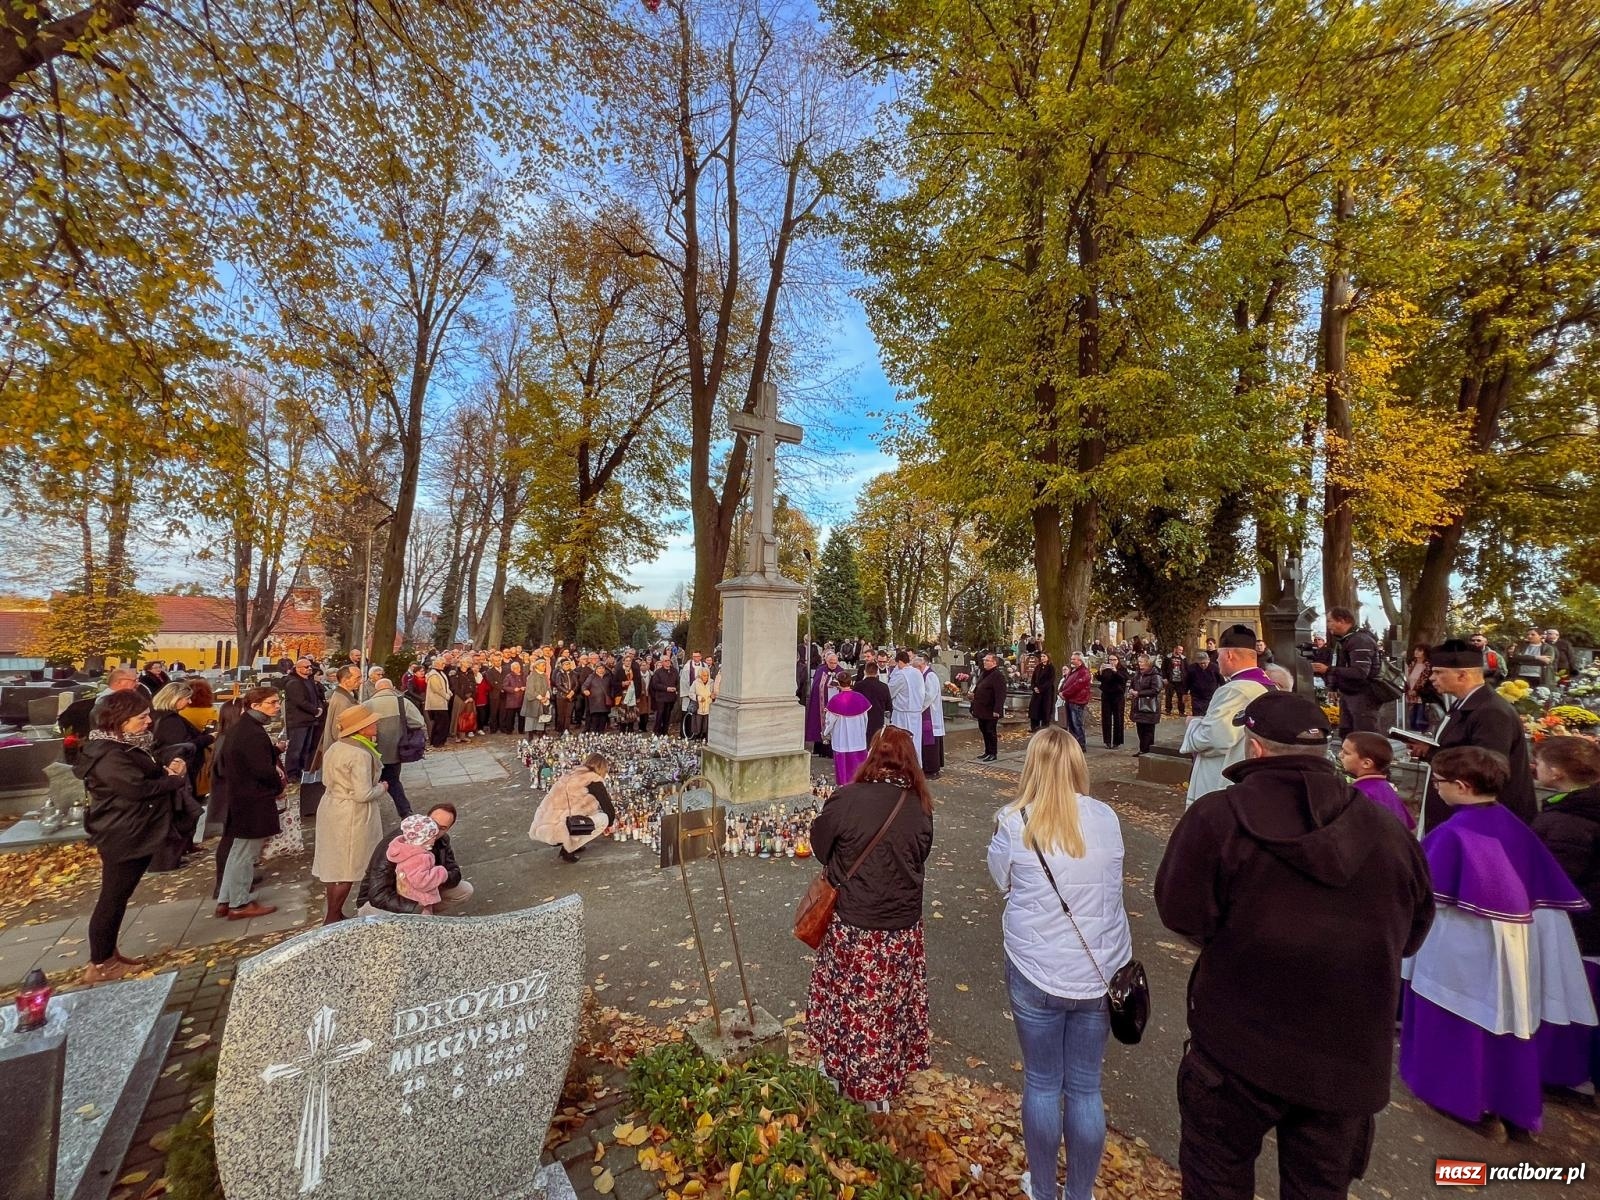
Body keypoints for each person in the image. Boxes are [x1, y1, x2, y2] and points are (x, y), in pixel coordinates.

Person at [1156, 692, 1435, 1200]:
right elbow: (1413, 930)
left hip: (1238, 1040)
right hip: (1347, 1053)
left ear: (1256, 750)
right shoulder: (1389, 832)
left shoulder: (1219, 818)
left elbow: (1182, 911)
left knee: (1216, 1178)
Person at [1400, 745, 1596, 1137]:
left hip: (1458, 950)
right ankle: (1509, 1103)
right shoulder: (1514, 826)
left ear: (1461, 786)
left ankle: (1462, 1099)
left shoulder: (1457, 832)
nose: (1435, 790)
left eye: (1438, 783)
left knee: (1456, 1018)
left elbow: (1417, 891)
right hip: (1510, 949)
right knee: (1503, 1024)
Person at [987, 727, 1131, 1200]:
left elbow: (1000, 878)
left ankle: (1045, 1190)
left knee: (1044, 1083)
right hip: (1098, 971)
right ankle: (1080, 1192)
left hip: (1037, 967)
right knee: (1086, 1087)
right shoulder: (1105, 818)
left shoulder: (1015, 821)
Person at [806, 727, 934, 1111]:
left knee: (848, 1003)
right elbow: (920, 853)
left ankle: (839, 1069)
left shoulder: (847, 799)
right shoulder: (920, 807)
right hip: (901, 929)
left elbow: (819, 845)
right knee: (886, 1008)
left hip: (854, 924)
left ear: (872, 756)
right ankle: (880, 1084)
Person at [74, 691, 188, 982]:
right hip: (123, 831)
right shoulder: (109, 754)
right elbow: (136, 789)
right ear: (120, 722)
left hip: (130, 826)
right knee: (112, 897)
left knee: (118, 896)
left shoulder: (121, 746)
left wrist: (166, 769)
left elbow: (143, 772)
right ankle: (100, 963)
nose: (149, 721)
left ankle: (108, 954)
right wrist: (173, 780)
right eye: (141, 718)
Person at [1531, 738, 1600, 1094]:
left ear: (1557, 772)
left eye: (1539, 762)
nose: (1534, 768)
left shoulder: (1569, 821)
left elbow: (1556, 876)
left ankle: (1564, 1074)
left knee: (1569, 997)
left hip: (1578, 926)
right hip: (1589, 922)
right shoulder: (1575, 810)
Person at [1417, 638, 1537, 829]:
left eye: (1438, 672)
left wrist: (1431, 754)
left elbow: (1486, 769)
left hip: (1484, 822)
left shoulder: (1492, 711)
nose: (1432, 678)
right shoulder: (1463, 702)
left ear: (1462, 675)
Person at [1178, 624, 1275, 804]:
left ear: (1229, 655)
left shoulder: (1236, 690)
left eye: (1219, 655)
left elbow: (1215, 737)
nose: (1217, 661)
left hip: (1224, 777)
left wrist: (1193, 724)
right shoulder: (1268, 684)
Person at [212, 686, 283, 921]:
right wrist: (278, 786)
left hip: (242, 799)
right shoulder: (251, 732)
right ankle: (239, 902)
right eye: (272, 703)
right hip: (252, 801)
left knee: (237, 851)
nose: (277, 706)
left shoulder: (243, 728)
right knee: (245, 854)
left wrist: (273, 750)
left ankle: (226, 899)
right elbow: (262, 769)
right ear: (255, 706)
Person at [314, 704, 388, 924]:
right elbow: (363, 793)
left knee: (336, 864)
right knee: (347, 866)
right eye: (371, 723)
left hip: (331, 806)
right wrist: (382, 788)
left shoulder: (336, 747)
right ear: (361, 728)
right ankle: (333, 915)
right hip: (351, 814)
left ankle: (334, 913)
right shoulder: (359, 754)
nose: (376, 725)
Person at [358, 802, 473, 915]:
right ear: (425, 819)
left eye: (442, 828)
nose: (436, 831)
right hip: (376, 902)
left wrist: (438, 878)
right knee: (412, 917)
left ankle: (423, 917)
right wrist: (415, 907)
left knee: (465, 890)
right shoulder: (395, 846)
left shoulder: (441, 841)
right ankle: (413, 921)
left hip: (418, 891)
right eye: (433, 823)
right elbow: (378, 895)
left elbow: (454, 872)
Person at [530, 752, 616, 862]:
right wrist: (610, 824)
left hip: (543, 828)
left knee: (588, 812)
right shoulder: (594, 780)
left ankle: (573, 843)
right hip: (560, 832)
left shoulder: (571, 774)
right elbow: (608, 809)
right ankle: (568, 849)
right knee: (604, 819)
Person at [1313, 607, 1381, 735]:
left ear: (1342, 621)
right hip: (1349, 694)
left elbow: (1360, 673)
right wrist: (1333, 686)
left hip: (1363, 696)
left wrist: (1328, 670)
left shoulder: (1360, 641)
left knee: (1365, 736)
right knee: (1346, 732)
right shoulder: (1345, 640)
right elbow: (1340, 663)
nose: (1328, 626)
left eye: (1330, 621)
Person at [367, 677, 425, 818]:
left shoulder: (367, 705)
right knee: (393, 780)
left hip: (373, 751)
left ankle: (372, 812)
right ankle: (405, 811)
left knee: (371, 782)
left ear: (376, 689)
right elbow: (418, 722)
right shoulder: (403, 702)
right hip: (396, 751)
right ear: (392, 688)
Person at [1338, 731, 1415, 830]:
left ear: (1366, 763)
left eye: (1346, 753)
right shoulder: (1386, 788)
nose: (1340, 755)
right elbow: (1408, 826)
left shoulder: (1359, 793)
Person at [386, 815, 451, 913]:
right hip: (421, 901)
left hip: (408, 897)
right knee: (424, 923)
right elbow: (421, 881)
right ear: (422, 838)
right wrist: (441, 873)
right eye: (432, 836)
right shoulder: (420, 858)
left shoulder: (405, 852)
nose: (434, 838)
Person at [825, 672, 871, 786]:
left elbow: (830, 721)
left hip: (841, 738)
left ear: (838, 684)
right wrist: (862, 731)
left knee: (843, 766)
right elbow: (865, 719)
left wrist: (826, 732)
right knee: (858, 763)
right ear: (851, 682)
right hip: (858, 737)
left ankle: (843, 786)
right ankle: (860, 784)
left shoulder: (835, 700)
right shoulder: (860, 698)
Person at [283, 657, 324, 777]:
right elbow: (300, 701)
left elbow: (316, 697)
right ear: (298, 669)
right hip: (299, 720)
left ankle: (301, 770)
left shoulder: (309, 681)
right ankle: (291, 773)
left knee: (306, 748)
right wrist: (315, 710)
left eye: (310, 666)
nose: (309, 669)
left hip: (310, 719)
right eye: (306, 667)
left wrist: (319, 707)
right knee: (296, 749)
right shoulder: (294, 682)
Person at [318, 664, 362, 761]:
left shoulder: (344, 696)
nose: (361, 681)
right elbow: (338, 731)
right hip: (342, 755)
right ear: (346, 680)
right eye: (357, 678)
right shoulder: (342, 701)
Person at [971, 653, 1006, 762]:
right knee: (984, 730)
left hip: (990, 709)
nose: (984, 662)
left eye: (987, 660)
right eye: (984, 660)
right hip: (981, 708)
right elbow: (978, 687)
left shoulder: (997, 675)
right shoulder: (984, 673)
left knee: (990, 731)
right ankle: (987, 751)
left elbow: (1000, 694)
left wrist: (997, 709)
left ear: (994, 662)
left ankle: (993, 753)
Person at [1128, 654, 1162, 756]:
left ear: (1148, 663)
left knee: (1148, 731)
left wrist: (1139, 693)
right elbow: (1133, 684)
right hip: (1138, 705)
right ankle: (1143, 749)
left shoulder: (1155, 675)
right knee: (1140, 729)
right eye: (1139, 662)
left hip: (1150, 706)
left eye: (1141, 662)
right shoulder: (1138, 674)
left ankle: (1147, 750)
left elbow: (1156, 689)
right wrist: (1131, 690)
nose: (1139, 664)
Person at [888, 649, 926, 740]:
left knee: (901, 741)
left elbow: (890, 692)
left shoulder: (900, 675)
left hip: (903, 714)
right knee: (915, 740)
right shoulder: (918, 672)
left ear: (900, 662)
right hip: (916, 712)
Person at [1057, 653, 1091, 748]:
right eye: (1071, 659)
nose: (1071, 661)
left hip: (1077, 701)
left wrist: (1065, 693)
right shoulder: (1073, 671)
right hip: (1070, 700)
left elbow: (1076, 686)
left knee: (1077, 723)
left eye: (1074, 659)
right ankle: (1073, 743)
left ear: (1080, 661)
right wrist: (1061, 691)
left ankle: (1080, 744)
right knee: (1071, 724)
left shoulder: (1084, 672)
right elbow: (1066, 682)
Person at [857, 661, 892, 748]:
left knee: (863, 743)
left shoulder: (858, 686)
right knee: (876, 743)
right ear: (877, 672)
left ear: (865, 671)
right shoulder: (883, 686)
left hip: (862, 719)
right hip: (878, 719)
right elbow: (889, 706)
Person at [1096, 653, 1127, 749]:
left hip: (1118, 696)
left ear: (1118, 661)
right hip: (1106, 695)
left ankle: (1117, 741)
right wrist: (1100, 672)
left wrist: (1116, 671)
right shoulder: (1106, 669)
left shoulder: (1122, 669)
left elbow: (1123, 679)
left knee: (1118, 718)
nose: (1112, 662)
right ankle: (1107, 741)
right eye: (1110, 660)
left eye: (1114, 660)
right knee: (1106, 719)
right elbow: (1101, 680)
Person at [1403, 645, 1436, 733]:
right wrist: (1408, 690)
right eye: (1416, 650)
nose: (1416, 652)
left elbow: (1429, 683)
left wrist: (1417, 691)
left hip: (1423, 697)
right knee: (1412, 721)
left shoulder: (1429, 666)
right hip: (1411, 697)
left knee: (1420, 721)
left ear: (1425, 652)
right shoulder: (1411, 664)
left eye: (1420, 650)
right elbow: (1407, 679)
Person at [423, 658, 453, 748]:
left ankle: (441, 741)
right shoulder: (433, 675)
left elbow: (445, 685)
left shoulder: (441, 673)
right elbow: (437, 689)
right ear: (437, 664)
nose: (444, 665)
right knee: (441, 722)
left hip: (442, 702)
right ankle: (437, 741)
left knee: (442, 722)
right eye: (442, 663)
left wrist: (449, 692)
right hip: (436, 702)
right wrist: (446, 695)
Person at [1184, 651, 1220, 717]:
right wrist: (1185, 693)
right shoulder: (1192, 668)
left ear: (1208, 661)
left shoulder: (1215, 668)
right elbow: (1187, 681)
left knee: (1210, 713)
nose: (1203, 665)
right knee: (1198, 715)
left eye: (1204, 663)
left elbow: (1221, 681)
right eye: (1200, 663)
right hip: (1197, 696)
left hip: (1211, 695)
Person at [1028, 652, 1056, 732]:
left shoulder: (1051, 668)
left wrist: (1041, 688)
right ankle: (1034, 727)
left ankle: (1044, 728)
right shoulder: (1038, 667)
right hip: (1036, 693)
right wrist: (1034, 687)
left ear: (1048, 657)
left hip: (1046, 693)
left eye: (1044, 656)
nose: (1042, 658)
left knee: (1045, 710)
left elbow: (1050, 681)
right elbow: (1033, 678)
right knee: (1034, 709)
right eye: (1041, 656)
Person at [688, 664, 715, 740]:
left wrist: (713, 696)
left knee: (706, 724)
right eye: (703, 675)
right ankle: (696, 736)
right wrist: (698, 698)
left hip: (708, 706)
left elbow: (714, 692)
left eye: (706, 675)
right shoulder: (695, 682)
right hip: (698, 706)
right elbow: (690, 693)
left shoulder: (711, 682)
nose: (705, 677)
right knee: (697, 723)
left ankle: (704, 736)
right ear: (700, 675)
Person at [500, 659, 526, 734]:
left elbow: (527, 684)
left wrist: (524, 687)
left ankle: (521, 730)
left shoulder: (523, 675)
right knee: (510, 717)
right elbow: (505, 686)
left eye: (518, 667)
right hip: (512, 700)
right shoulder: (508, 676)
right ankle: (509, 730)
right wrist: (513, 689)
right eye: (515, 668)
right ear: (512, 669)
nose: (517, 669)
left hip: (521, 699)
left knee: (522, 716)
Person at [1162, 644, 1188, 717]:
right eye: (1179, 650)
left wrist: (1186, 679)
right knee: (1169, 696)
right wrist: (1164, 678)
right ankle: (1168, 710)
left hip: (1180, 681)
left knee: (1180, 697)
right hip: (1170, 680)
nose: (1181, 651)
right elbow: (1163, 668)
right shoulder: (1168, 657)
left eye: (1182, 650)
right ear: (1175, 649)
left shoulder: (1183, 658)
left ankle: (1181, 711)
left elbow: (1187, 669)